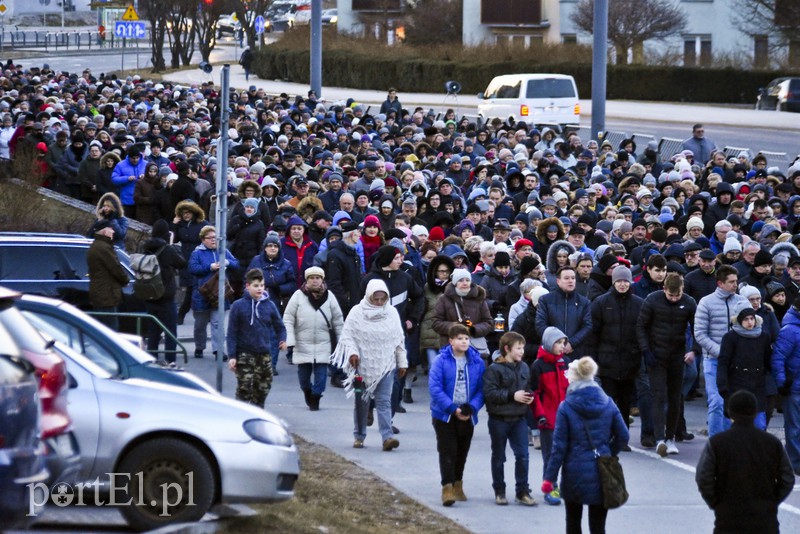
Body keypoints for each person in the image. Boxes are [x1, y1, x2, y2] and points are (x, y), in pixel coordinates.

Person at [542, 357, 629, 534]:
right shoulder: (608, 402)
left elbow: (559, 447)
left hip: (573, 472)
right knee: (598, 525)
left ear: (573, 379)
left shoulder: (566, 406)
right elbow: (623, 435)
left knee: (573, 521)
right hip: (601, 470)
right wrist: (608, 452)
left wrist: (549, 478)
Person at [695, 390, 795, 534]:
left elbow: (703, 477)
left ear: (730, 412)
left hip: (728, 520)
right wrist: (771, 501)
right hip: (765, 521)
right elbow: (787, 478)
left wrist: (717, 503)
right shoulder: (772, 443)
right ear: (755, 412)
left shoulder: (717, 443)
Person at [331, 279, 408, 451]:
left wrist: (402, 362)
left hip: (386, 365)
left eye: (383, 299)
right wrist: (352, 353)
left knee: (384, 402)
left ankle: (387, 438)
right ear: (368, 296)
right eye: (376, 299)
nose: (379, 302)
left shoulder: (392, 313)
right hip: (361, 365)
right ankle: (359, 436)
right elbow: (347, 336)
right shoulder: (357, 312)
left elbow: (399, 340)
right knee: (361, 403)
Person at [637, 272, 699, 452]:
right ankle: (659, 438)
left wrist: (694, 350)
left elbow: (698, 328)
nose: (673, 298)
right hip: (655, 356)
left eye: (677, 295)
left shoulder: (689, 302)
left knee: (675, 397)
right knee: (658, 396)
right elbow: (641, 326)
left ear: (682, 291)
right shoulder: (652, 300)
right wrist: (646, 350)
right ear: (664, 289)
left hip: (677, 355)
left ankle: (671, 437)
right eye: (670, 295)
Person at [429, 323, 486, 507]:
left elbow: (481, 389)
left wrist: (472, 408)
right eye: (460, 338)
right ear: (451, 341)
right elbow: (435, 388)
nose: (464, 341)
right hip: (445, 415)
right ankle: (447, 487)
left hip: (467, 413)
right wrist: (453, 409)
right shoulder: (441, 361)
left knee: (462, 451)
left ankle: (458, 484)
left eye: (466, 338)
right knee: (447, 450)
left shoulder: (477, 362)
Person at [483, 331, 538, 507]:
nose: (522, 351)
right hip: (499, 419)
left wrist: (529, 397)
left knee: (523, 455)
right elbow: (490, 394)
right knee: (499, 456)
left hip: (519, 418)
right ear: (507, 349)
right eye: (518, 348)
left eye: (523, 348)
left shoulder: (524, 367)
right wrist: (512, 395)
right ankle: (499, 491)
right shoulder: (494, 369)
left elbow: (527, 387)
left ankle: (522, 491)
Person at [591, 265, 643, 445]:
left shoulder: (638, 304)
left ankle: (623, 438)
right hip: (607, 361)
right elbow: (594, 333)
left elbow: (641, 332)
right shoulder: (601, 303)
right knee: (609, 402)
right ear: (613, 283)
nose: (622, 284)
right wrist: (595, 359)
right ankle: (608, 435)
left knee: (625, 402)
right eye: (619, 281)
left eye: (625, 281)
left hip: (630, 361)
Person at [695, 265, 747, 437]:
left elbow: (749, 330)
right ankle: (715, 444)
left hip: (737, 362)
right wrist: (722, 352)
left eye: (736, 281)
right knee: (716, 402)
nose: (735, 285)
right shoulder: (706, 302)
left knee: (734, 403)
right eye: (731, 282)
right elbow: (700, 334)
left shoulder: (742, 302)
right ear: (720, 283)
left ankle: (730, 441)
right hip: (714, 361)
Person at [283, 266, 344, 411]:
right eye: (311, 278)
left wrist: (342, 340)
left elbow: (338, 319)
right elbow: (288, 317)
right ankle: (307, 391)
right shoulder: (298, 295)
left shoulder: (329, 296)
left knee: (321, 375)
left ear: (322, 280)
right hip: (302, 342)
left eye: (318, 278)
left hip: (323, 342)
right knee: (303, 376)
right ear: (306, 280)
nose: (315, 281)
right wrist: (290, 338)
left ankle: (316, 396)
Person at [226, 268, 287, 407]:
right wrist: (232, 356)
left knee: (263, 388)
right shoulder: (238, 306)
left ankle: (257, 415)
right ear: (248, 287)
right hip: (245, 354)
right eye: (256, 286)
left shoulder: (269, 305)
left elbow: (280, 326)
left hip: (264, 354)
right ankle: (240, 415)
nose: (259, 289)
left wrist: (282, 340)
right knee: (244, 388)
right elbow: (232, 333)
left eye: (262, 285)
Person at [717, 301, 772, 430]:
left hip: (757, 383)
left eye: (752, 318)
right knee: (733, 424)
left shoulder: (763, 337)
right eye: (746, 319)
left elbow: (768, 361)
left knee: (759, 424)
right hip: (736, 383)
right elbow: (723, 361)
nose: (749, 322)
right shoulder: (730, 337)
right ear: (739, 320)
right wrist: (722, 384)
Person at [531, 326, 570, 506]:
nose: (562, 346)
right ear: (548, 343)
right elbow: (535, 394)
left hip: (566, 419)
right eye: (558, 343)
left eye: (563, 343)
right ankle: (550, 486)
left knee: (568, 454)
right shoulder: (538, 366)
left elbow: (571, 389)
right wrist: (540, 415)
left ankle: (565, 485)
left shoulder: (566, 363)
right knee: (551, 456)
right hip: (547, 418)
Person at [188, 225, 240, 359]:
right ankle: (200, 346)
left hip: (219, 293)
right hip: (202, 293)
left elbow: (236, 264)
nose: (213, 240)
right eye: (210, 238)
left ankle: (218, 350)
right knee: (200, 324)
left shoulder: (223, 251)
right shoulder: (197, 253)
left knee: (218, 323)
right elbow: (192, 268)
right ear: (203, 239)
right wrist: (209, 267)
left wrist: (228, 262)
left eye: (215, 238)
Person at [141, 219, 186, 363]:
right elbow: (182, 263)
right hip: (166, 298)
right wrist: (171, 244)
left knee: (153, 333)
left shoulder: (145, 248)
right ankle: (170, 361)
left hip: (150, 296)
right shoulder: (168, 249)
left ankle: (152, 360)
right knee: (170, 332)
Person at [772, 295, 800, 475]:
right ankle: (795, 463)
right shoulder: (790, 330)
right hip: (794, 387)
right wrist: (783, 383)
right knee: (794, 427)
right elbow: (778, 358)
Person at [87, 221, 129, 330]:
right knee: (111, 329)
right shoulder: (104, 248)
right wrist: (125, 280)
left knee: (102, 328)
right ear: (105, 231)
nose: (113, 231)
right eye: (111, 229)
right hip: (106, 295)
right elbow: (115, 268)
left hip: (100, 293)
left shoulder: (96, 246)